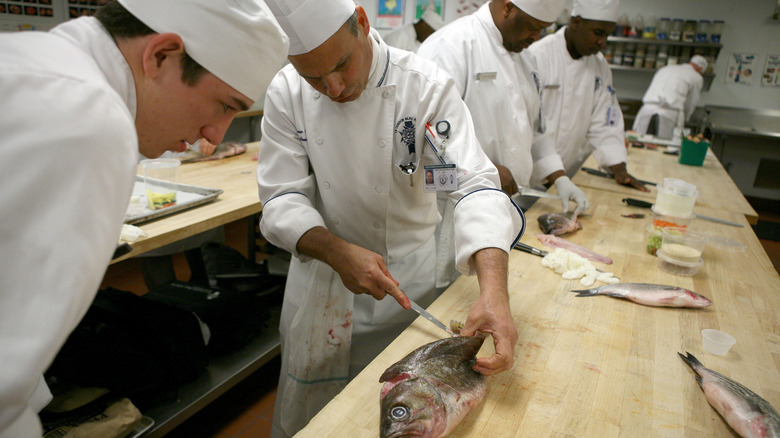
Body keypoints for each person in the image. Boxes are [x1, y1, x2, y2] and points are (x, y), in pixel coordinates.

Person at [0, 1, 288, 436]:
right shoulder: (88, 119)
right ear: (160, 56)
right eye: (224, 106)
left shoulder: (32, 61)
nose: (216, 134)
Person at [259, 0, 525, 436]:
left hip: (409, 282)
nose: (333, 86)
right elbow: (280, 197)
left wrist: (493, 291)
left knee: (408, 412)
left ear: (362, 23)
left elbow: (471, 185)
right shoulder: (286, 91)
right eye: (313, 76)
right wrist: (338, 251)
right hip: (325, 279)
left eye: (342, 63)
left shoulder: (424, 89)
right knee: (315, 421)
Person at [418, 0, 591, 215]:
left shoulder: (527, 59)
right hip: (454, 207)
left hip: (506, 204)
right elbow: (425, 136)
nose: (536, 37)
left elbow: (533, 130)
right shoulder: (450, 46)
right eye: (533, 27)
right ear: (508, 7)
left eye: (542, 29)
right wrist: (484, 170)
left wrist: (560, 177)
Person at [528, 0, 649, 191]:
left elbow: (605, 122)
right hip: (528, 178)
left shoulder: (600, 67)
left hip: (567, 177)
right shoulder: (537, 56)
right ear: (576, 23)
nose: (602, 43)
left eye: (607, 35)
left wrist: (619, 169)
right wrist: (554, 174)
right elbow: (528, 125)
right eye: (598, 33)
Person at [632, 55, 708, 140]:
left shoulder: (666, 68)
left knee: (639, 141)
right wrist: (686, 118)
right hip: (670, 113)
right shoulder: (696, 77)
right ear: (700, 68)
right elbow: (691, 103)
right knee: (665, 146)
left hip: (647, 109)